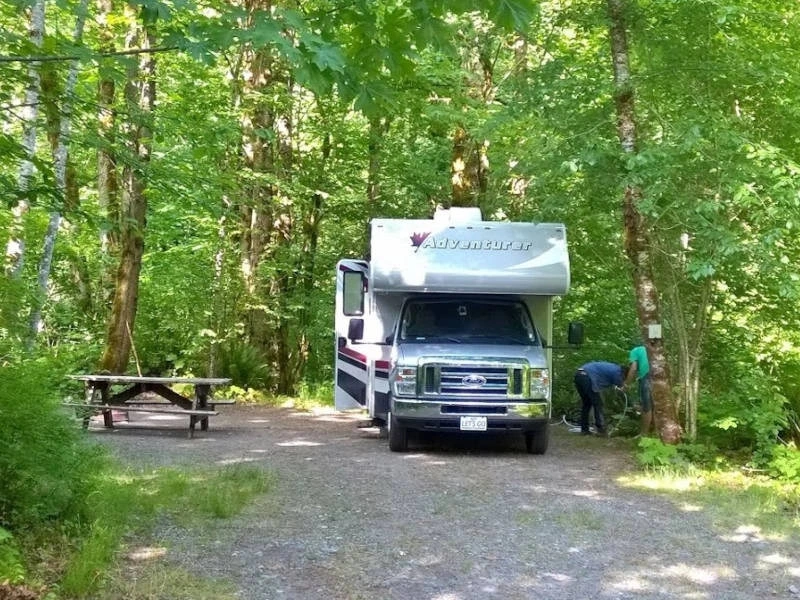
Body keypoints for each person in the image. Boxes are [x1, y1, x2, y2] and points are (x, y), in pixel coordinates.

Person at [574, 361, 626, 436]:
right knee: (598, 404)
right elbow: (622, 390)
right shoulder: (617, 372)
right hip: (587, 377)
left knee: (587, 404)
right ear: (624, 374)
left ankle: (584, 430)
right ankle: (601, 430)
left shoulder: (614, 368)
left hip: (579, 375)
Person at [624, 343, 653, 436]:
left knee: (646, 406)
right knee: (653, 405)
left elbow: (633, 368)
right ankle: (653, 432)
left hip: (647, 376)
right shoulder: (653, 349)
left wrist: (626, 384)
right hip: (659, 376)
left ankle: (644, 434)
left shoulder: (635, 350)